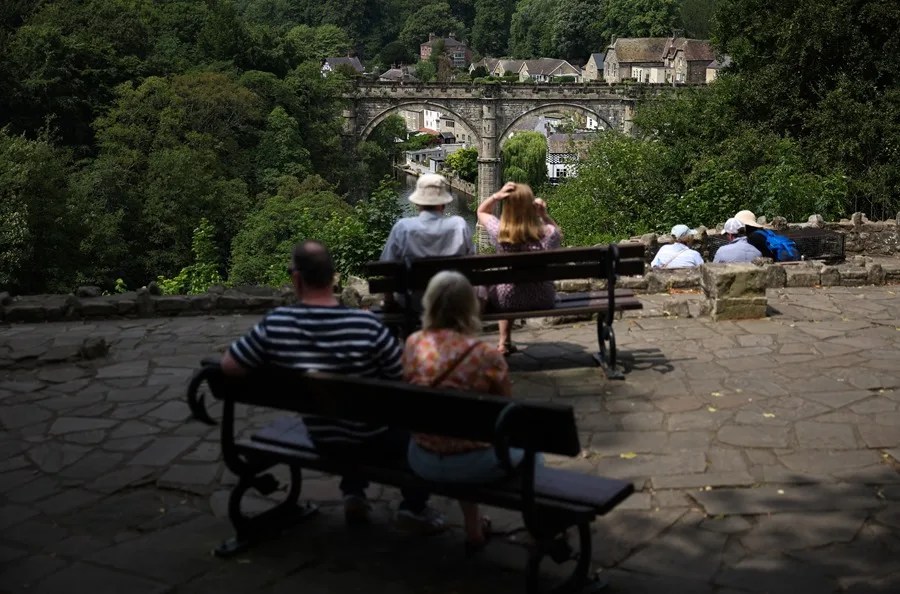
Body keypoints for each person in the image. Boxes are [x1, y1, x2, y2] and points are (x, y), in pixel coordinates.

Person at [221, 240, 444, 532]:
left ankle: (354, 494)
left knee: (342, 413)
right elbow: (405, 380)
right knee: (389, 420)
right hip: (374, 440)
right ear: (333, 277)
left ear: (297, 279)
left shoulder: (277, 324)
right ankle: (413, 507)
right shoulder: (366, 326)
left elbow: (229, 366)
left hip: (323, 437)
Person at [403, 271, 519, 554]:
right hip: (474, 464)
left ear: (429, 304)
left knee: (456, 436)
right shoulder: (486, 355)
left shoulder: (414, 344)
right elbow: (509, 412)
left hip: (422, 457)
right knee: (532, 454)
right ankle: (541, 522)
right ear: (470, 306)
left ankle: (474, 527)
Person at [476, 182, 562, 355]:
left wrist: (497, 196)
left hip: (508, 300)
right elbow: (558, 233)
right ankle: (505, 342)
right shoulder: (547, 235)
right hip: (543, 298)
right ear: (531, 206)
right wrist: (544, 215)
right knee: (512, 288)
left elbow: (481, 212)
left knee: (504, 288)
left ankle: (504, 342)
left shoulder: (500, 232)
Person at [380, 173, 473, 307]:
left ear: (417, 203)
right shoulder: (460, 226)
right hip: (452, 303)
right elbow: (471, 263)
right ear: (443, 203)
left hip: (413, 305)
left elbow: (386, 268)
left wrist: (389, 301)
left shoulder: (403, 228)